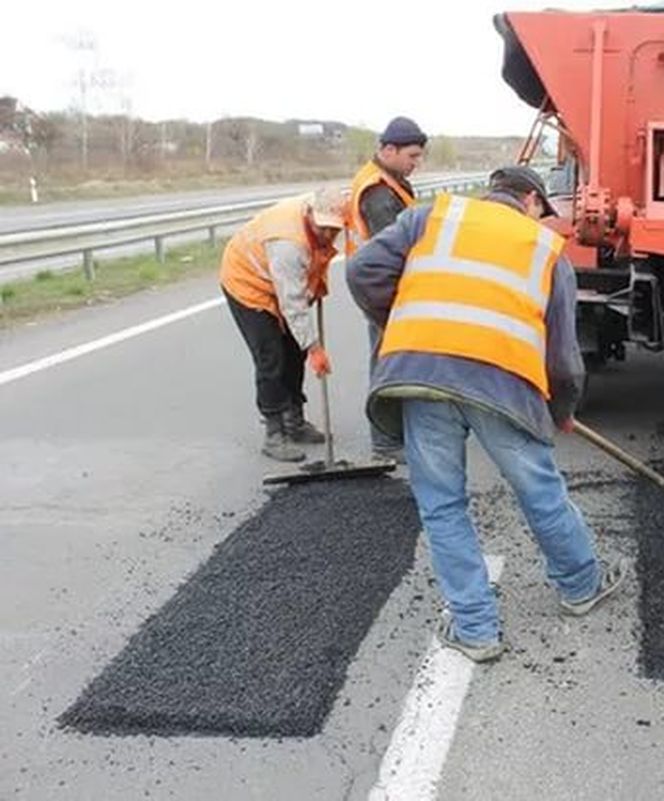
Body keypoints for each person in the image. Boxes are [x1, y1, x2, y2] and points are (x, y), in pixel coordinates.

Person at [346, 165, 627, 661]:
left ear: (492, 193)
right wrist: (561, 408)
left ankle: (475, 630)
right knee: (539, 489)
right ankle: (581, 586)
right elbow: (563, 358)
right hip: (503, 384)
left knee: (441, 503)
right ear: (532, 202)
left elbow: (361, 271)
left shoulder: (432, 217)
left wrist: (404, 324)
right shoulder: (546, 251)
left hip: (421, 371)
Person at [220, 187, 347, 462]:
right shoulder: (288, 242)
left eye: (334, 230)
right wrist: (315, 348)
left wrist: (305, 344)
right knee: (271, 356)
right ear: (311, 214)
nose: (328, 235)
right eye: (323, 228)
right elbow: (293, 302)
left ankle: (295, 421)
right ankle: (274, 433)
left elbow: (306, 277)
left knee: (294, 350)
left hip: (281, 280)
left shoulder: (323, 221)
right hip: (248, 281)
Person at [346, 116, 427, 460]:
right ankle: (385, 442)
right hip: (382, 289)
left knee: (393, 359)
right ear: (389, 150)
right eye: (412, 156)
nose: (415, 163)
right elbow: (391, 249)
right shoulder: (378, 192)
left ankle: (396, 433)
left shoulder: (390, 181)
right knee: (387, 361)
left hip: (386, 285)